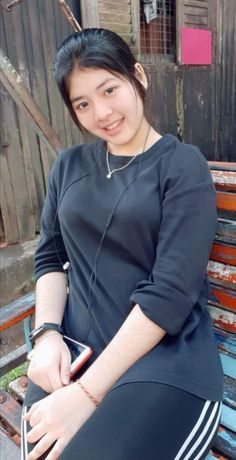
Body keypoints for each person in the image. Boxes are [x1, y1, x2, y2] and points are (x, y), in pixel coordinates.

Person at [22, 28, 224, 460]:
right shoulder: (68, 166)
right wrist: (47, 335)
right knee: (41, 451)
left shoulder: (180, 166)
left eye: (109, 89)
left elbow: (169, 294)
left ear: (138, 78)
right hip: (77, 349)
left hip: (166, 361)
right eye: (83, 103)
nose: (102, 112)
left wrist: (87, 397)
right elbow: (50, 258)